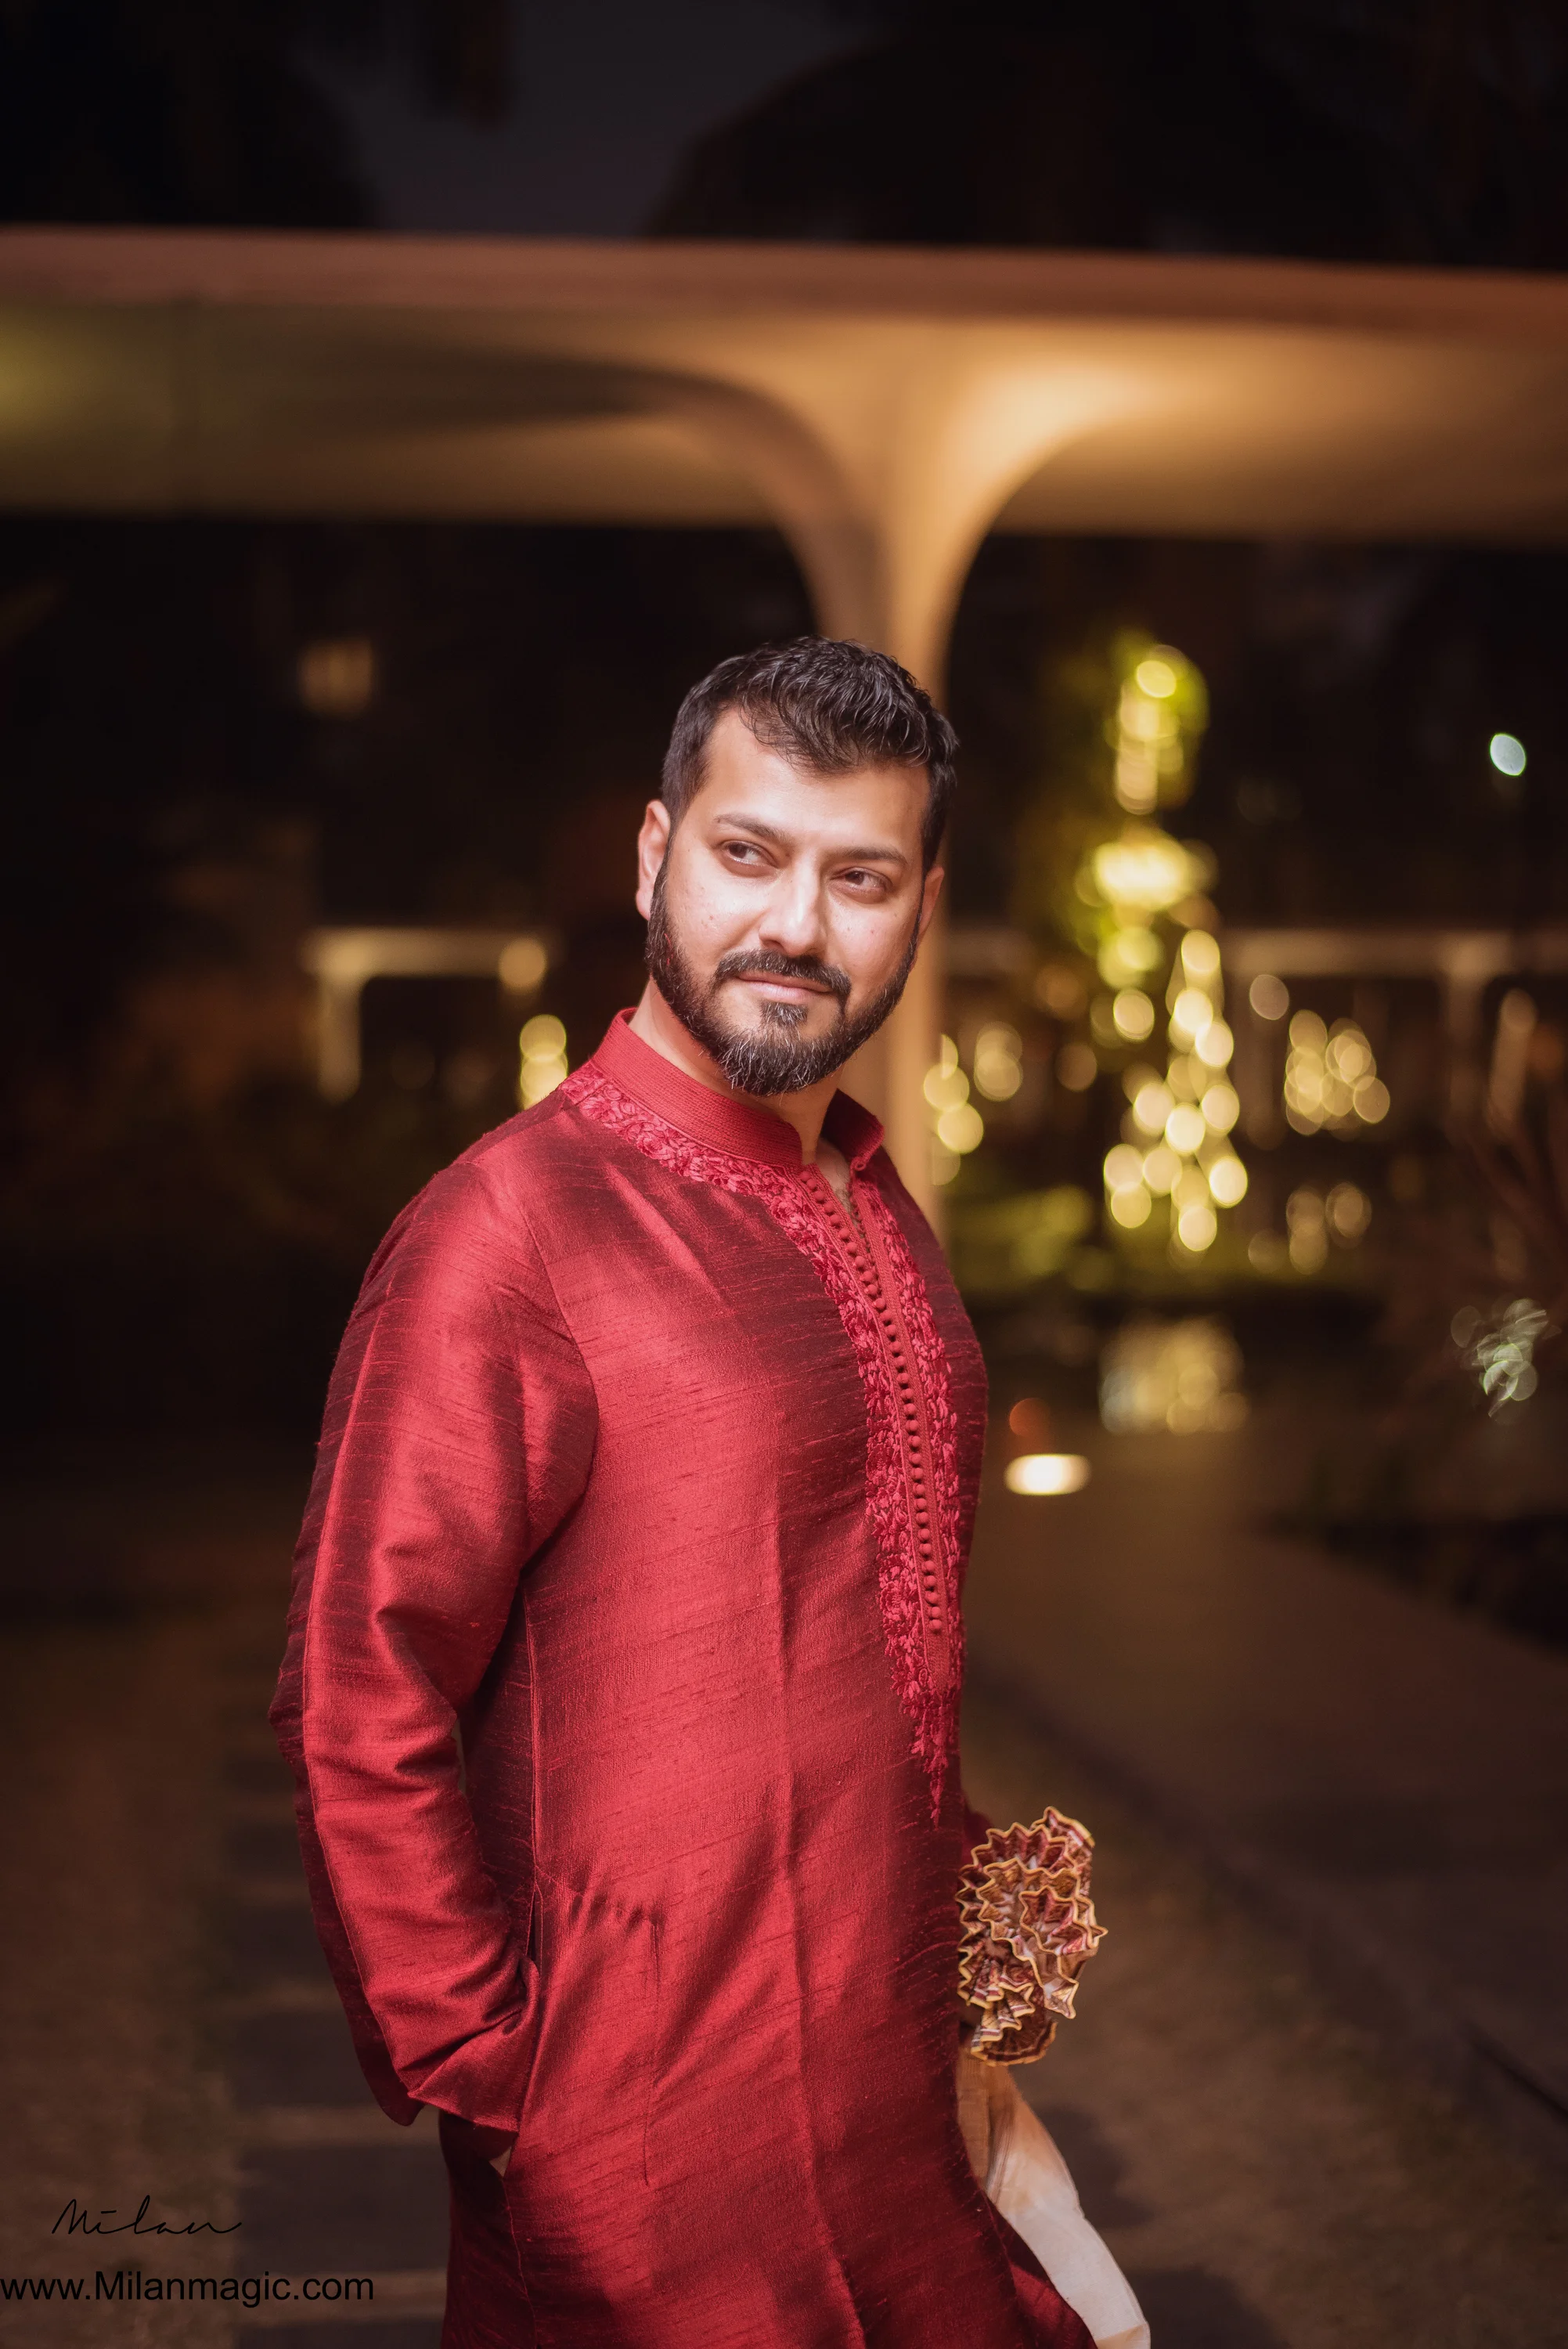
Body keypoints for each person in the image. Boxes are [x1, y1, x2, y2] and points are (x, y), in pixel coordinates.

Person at [271, 637, 1143, 2347]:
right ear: (656, 856)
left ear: (920, 906)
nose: (795, 926)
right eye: (748, 854)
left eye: (858, 878)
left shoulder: (873, 1204)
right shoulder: (506, 1232)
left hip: (896, 2111)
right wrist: (503, 2078)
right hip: (643, 2174)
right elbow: (357, 1687)